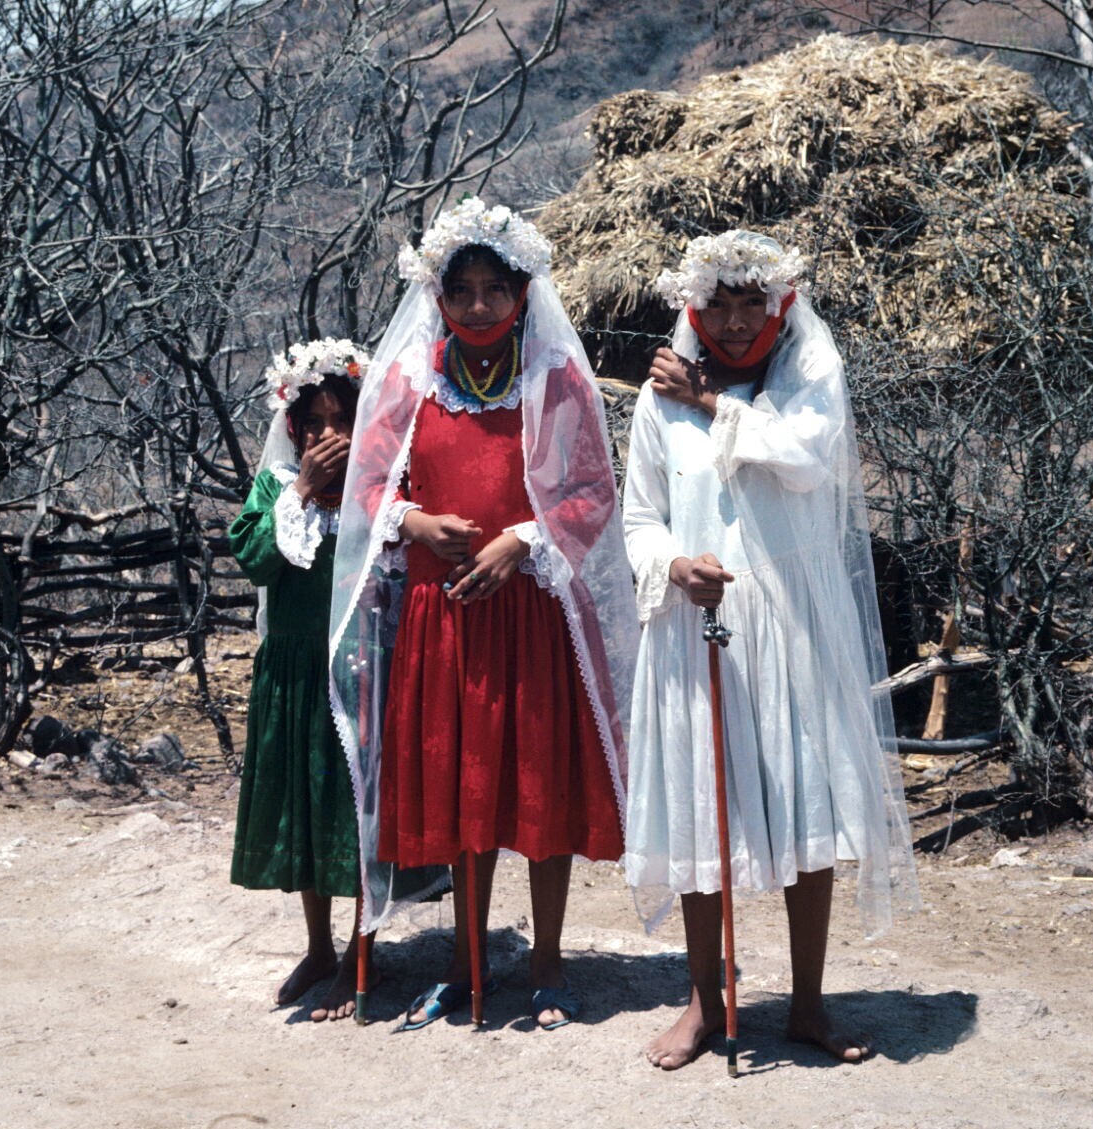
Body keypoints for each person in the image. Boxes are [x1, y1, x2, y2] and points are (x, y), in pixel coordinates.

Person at [327, 197, 638, 1032]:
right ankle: (465, 963)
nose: (476, 306)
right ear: (437, 295)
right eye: (459, 290)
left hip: (530, 615)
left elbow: (591, 492)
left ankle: (547, 965)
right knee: (465, 791)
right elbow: (366, 488)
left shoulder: (555, 379)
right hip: (444, 619)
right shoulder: (409, 381)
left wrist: (521, 543)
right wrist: (417, 523)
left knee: (538, 789)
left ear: (522, 293)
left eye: (493, 289)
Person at [621, 231, 919, 1069]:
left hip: (789, 625)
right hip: (695, 628)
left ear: (781, 306)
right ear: (693, 310)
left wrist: (712, 399)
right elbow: (638, 518)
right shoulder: (657, 404)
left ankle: (807, 1002)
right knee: (699, 807)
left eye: (753, 302)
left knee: (804, 807)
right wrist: (675, 566)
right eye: (719, 304)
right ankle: (704, 1001)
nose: (736, 320)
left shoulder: (805, 385)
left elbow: (804, 459)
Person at [228, 339, 371, 1022]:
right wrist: (304, 490)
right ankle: (319, 946)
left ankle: (362, 954)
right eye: (312, 423)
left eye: (341, 420)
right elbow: (256, 559)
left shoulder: (378, 489)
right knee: (310, 811)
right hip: (294, 672)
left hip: (360, 670)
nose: (327, 435)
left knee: (357, 810)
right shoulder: (276, 490)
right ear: (292, 429)